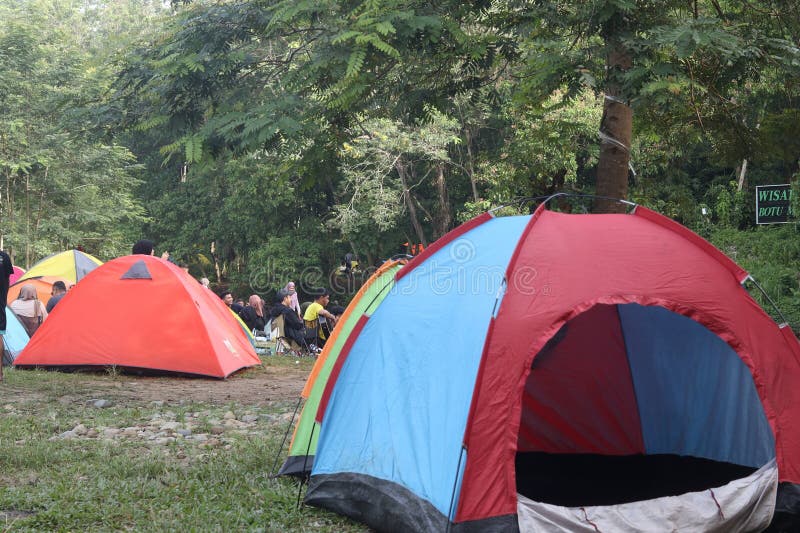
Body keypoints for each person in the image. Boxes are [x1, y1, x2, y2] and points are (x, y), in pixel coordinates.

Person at [0, 249, 13, 375]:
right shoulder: (4, 257)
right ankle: (0, 373)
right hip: (0, 305)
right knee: (0, 336)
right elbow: (7, 278)